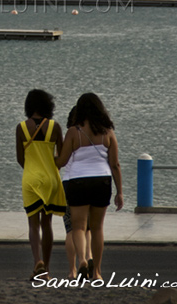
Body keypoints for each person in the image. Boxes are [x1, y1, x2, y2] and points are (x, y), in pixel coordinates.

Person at [56, 93, 123, 281]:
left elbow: (61, 161)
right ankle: (98, 273)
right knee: (97, 228)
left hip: (77, 181)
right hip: (102, 181)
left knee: (77, 227)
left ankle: (83, 261)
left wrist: (46, 159)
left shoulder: (73, 132)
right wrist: (120, 192)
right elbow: (115, 164)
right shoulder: (108, 132)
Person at [16, 89, 67, 280]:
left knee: (32, 224)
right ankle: (46, 270)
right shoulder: (55, 127)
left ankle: (37, 261)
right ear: (48, 105)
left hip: (30, 178)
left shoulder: (21, 128)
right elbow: (61, 158)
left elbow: (20, 158)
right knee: (47, 224)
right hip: (50, 179)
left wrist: (32, 169)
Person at [61, 106, 93, 279]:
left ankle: (72, 270)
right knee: (87, 229)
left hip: (68, 183)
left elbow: (61, 160)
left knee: (71, 229)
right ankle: (88, 259)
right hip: (88, 182)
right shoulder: (91, 136)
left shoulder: (69, 136)